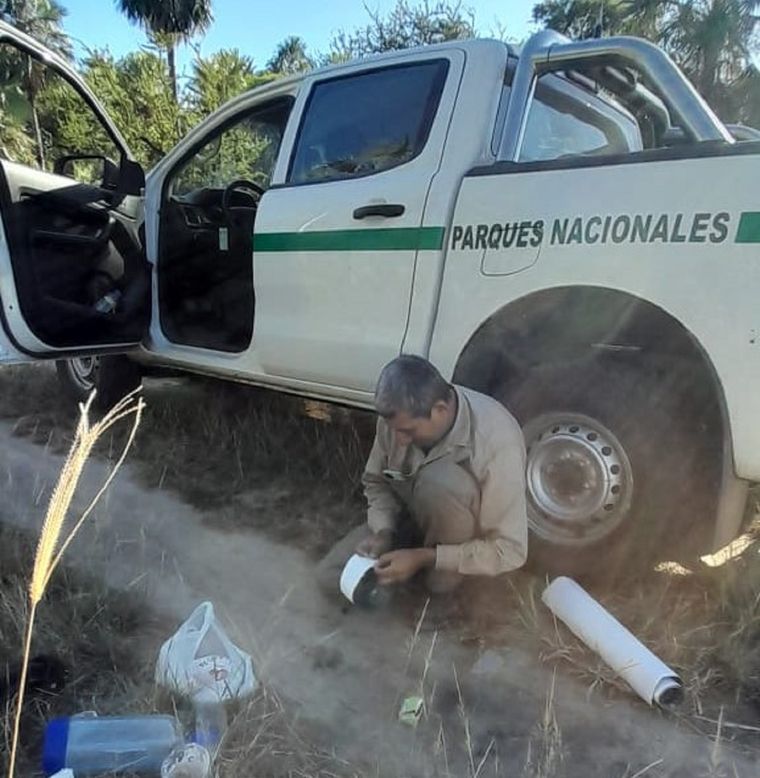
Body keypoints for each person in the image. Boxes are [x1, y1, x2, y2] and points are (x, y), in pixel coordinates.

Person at [317, 355, 528, 595]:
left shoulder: (497, 441)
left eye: (408, 431)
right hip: (407, 521)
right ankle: (403, 576)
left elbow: (510, 551)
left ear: (439, 410)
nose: (399, 440)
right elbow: (376, 482)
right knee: (330, 576)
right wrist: (384, 532)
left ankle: (439, 585)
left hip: (461, 544)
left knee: (439, 482)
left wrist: (425, 558)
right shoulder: (399, 419)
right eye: (395, 430)